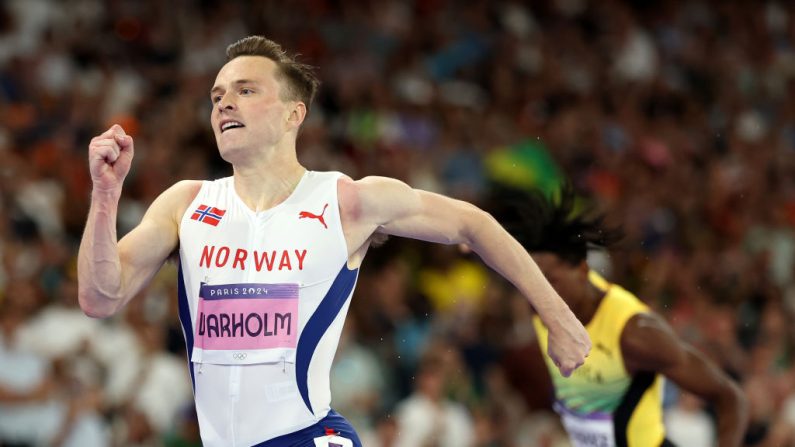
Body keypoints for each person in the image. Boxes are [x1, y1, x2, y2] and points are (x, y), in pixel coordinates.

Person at [76, 35, 590, 447]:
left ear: (292, 114)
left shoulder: (345, 201)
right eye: (216, 95)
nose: (224, 102)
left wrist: (560, 317)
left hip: (307, 437)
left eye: (245, 90)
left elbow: (473, 224)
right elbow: (100, 296)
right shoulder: (186, 203)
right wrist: (105, 197)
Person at [487, 184, 748, 447]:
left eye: (550, 280)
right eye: (532, 281)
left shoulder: (634, 331)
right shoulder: (539, 305)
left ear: (581, 269)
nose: (539, 293)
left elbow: (729, 397)